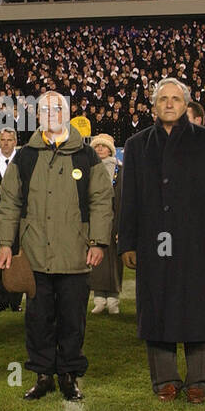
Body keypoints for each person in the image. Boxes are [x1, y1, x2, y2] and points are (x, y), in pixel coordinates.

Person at [119, 78, 205, 403]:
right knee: (156, 307)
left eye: (175, 99)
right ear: (153, 105)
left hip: (198, 245)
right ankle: (165, 379)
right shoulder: (136, 144)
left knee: (199, 308)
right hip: (152, 243)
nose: (169, 104)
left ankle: (200, 379)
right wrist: (127, 242)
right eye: (163, 99)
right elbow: (128, 200)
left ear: (186, 104)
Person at [0, 91, 113, 402]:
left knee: (73, 318)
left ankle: (69, 375)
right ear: (37, 116)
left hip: (75, 253)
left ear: (67, 113)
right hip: (35, 255)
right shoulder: (26, 155)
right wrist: (5, 243)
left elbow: (101, 200)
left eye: (56, 108)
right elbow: (9, 202)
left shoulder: (86, 156)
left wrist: (99, 241)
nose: (50, 113)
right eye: (44, 108)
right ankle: (43, 374)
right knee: (38, 318)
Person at [88, 133, 123, 315]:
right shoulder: (89, 169)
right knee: (96, 261)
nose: (100, 149)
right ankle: (99, 299)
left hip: (115, 222)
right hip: (96, 223)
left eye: (103, 146)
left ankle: (113, 299)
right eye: (97, 146)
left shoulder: (120, 170)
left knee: (115, 261)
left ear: (110, 149)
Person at [0, 128, 21, 311]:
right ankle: (1, 302)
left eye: (10, 140)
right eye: (3, 140)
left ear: (15, 141)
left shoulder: (22, 161)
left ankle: (16, 302)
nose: (6, 143)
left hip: (17, 221)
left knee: (16, 261)